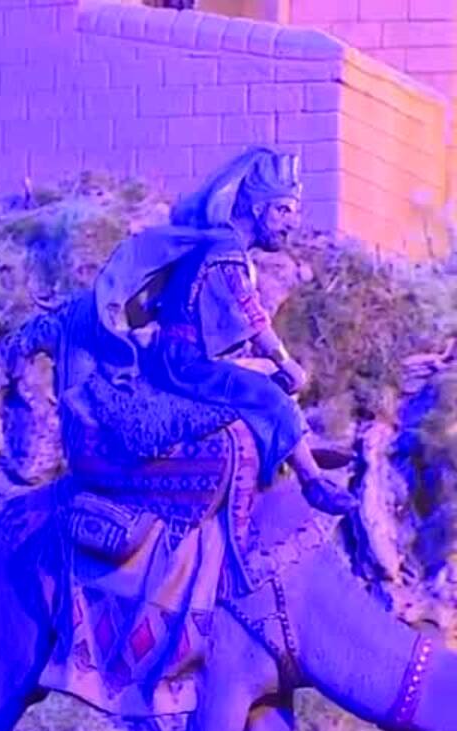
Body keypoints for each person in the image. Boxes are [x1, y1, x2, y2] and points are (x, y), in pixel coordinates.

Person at [89, 147, 355, 515]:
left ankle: (296, 445)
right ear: (258, 210)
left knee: (268, 376)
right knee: (268, 390)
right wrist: (286, 361)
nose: (291, 223)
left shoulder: (218, 244)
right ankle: (313, 482)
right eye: (283, 210)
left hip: (184, 356)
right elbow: (251, 315)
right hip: (184, 363)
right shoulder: (225, 250)